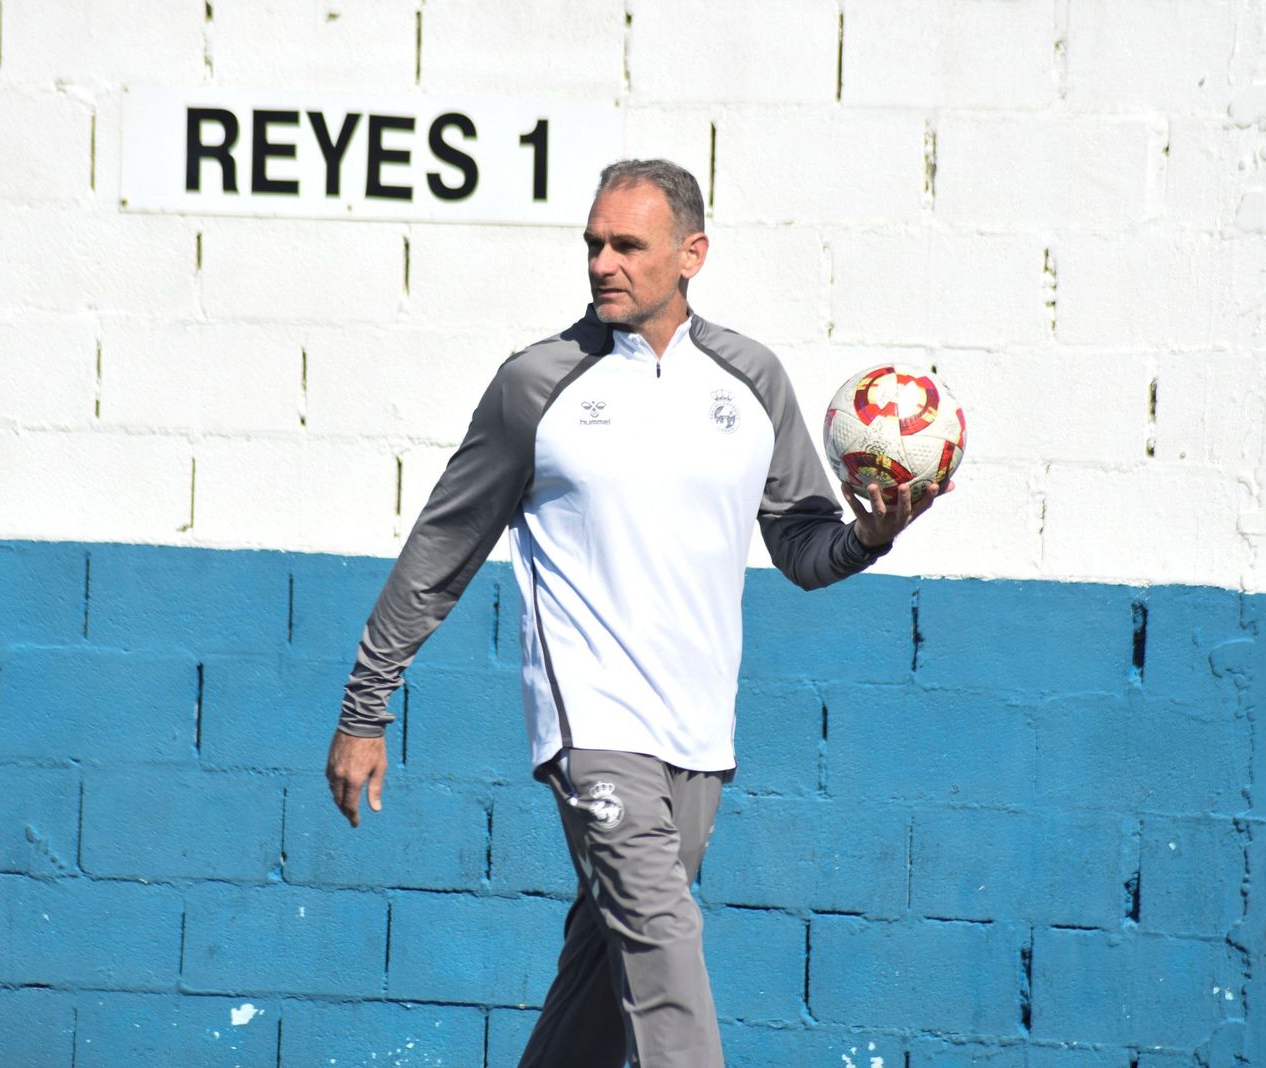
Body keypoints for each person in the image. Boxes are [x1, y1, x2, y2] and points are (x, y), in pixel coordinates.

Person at [327, 158, 948, 1068]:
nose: (602, 263)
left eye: (628, 245)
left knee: (599, 981)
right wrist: (363, 708)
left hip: (698, 735)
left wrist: (872, 539)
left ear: (691, 254)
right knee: (665, 955)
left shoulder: (752, 381)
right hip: (594, 726)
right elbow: (437, 556)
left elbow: (803, 550)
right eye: (593, 244)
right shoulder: (536, 385)